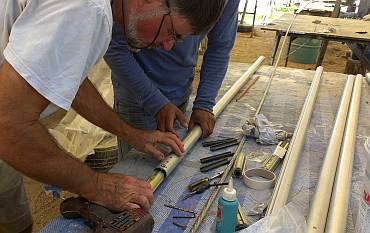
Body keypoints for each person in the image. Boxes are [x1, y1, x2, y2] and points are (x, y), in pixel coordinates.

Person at [0, 0, 226, 232]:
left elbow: (67, 76)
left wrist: (131, 134)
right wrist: (97, 186)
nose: (168, 46)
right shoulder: (89, 9)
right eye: (171, 32)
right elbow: (7, 124)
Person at [105, 0, 240, 158]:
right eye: (172, 32)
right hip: (136, 98)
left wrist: (204, 103)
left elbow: (220, 46)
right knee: (137, 174)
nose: (169, 47)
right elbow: (113, 46)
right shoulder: (103, 12)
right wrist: (154, 101)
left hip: (180, 94)